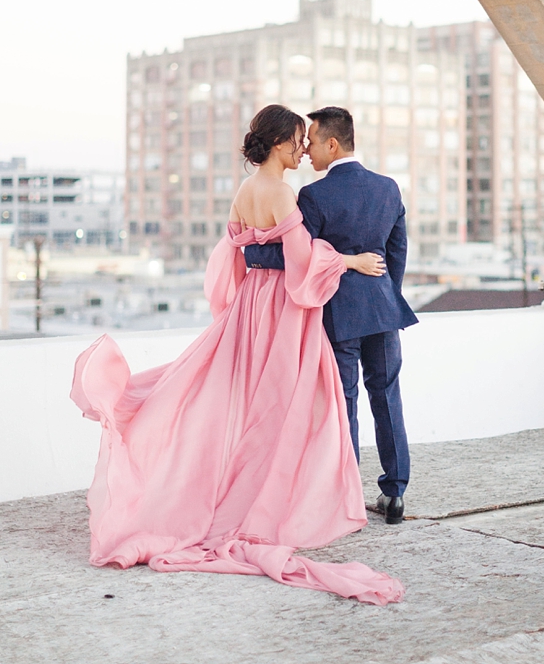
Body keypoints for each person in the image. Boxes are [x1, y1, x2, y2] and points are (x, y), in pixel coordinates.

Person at [70, 105, 404, 605]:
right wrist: (357, 263)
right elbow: (313, 263)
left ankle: (297, 489)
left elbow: (239, 256)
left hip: (253, 307)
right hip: (311, 309)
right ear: (276, 145)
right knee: (315, 405)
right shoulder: (315, 192)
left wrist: (240, 302)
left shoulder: (254, 192)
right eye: (296, 140)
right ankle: (354, 492)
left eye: (307, 140)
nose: (303, 148)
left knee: (276, 405)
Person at [245, 107, 418, 525]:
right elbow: (397, 253)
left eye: (312, 141)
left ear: (332, 144)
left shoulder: (314, 196)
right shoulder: (388, 188)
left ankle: (349, 494)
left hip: (337, 313)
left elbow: (299, 256)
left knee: (344, 404)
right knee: (387, 396)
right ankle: (394, 494)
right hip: (382, 309)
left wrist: (250, 251)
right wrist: (384, 294)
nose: (307, 148)